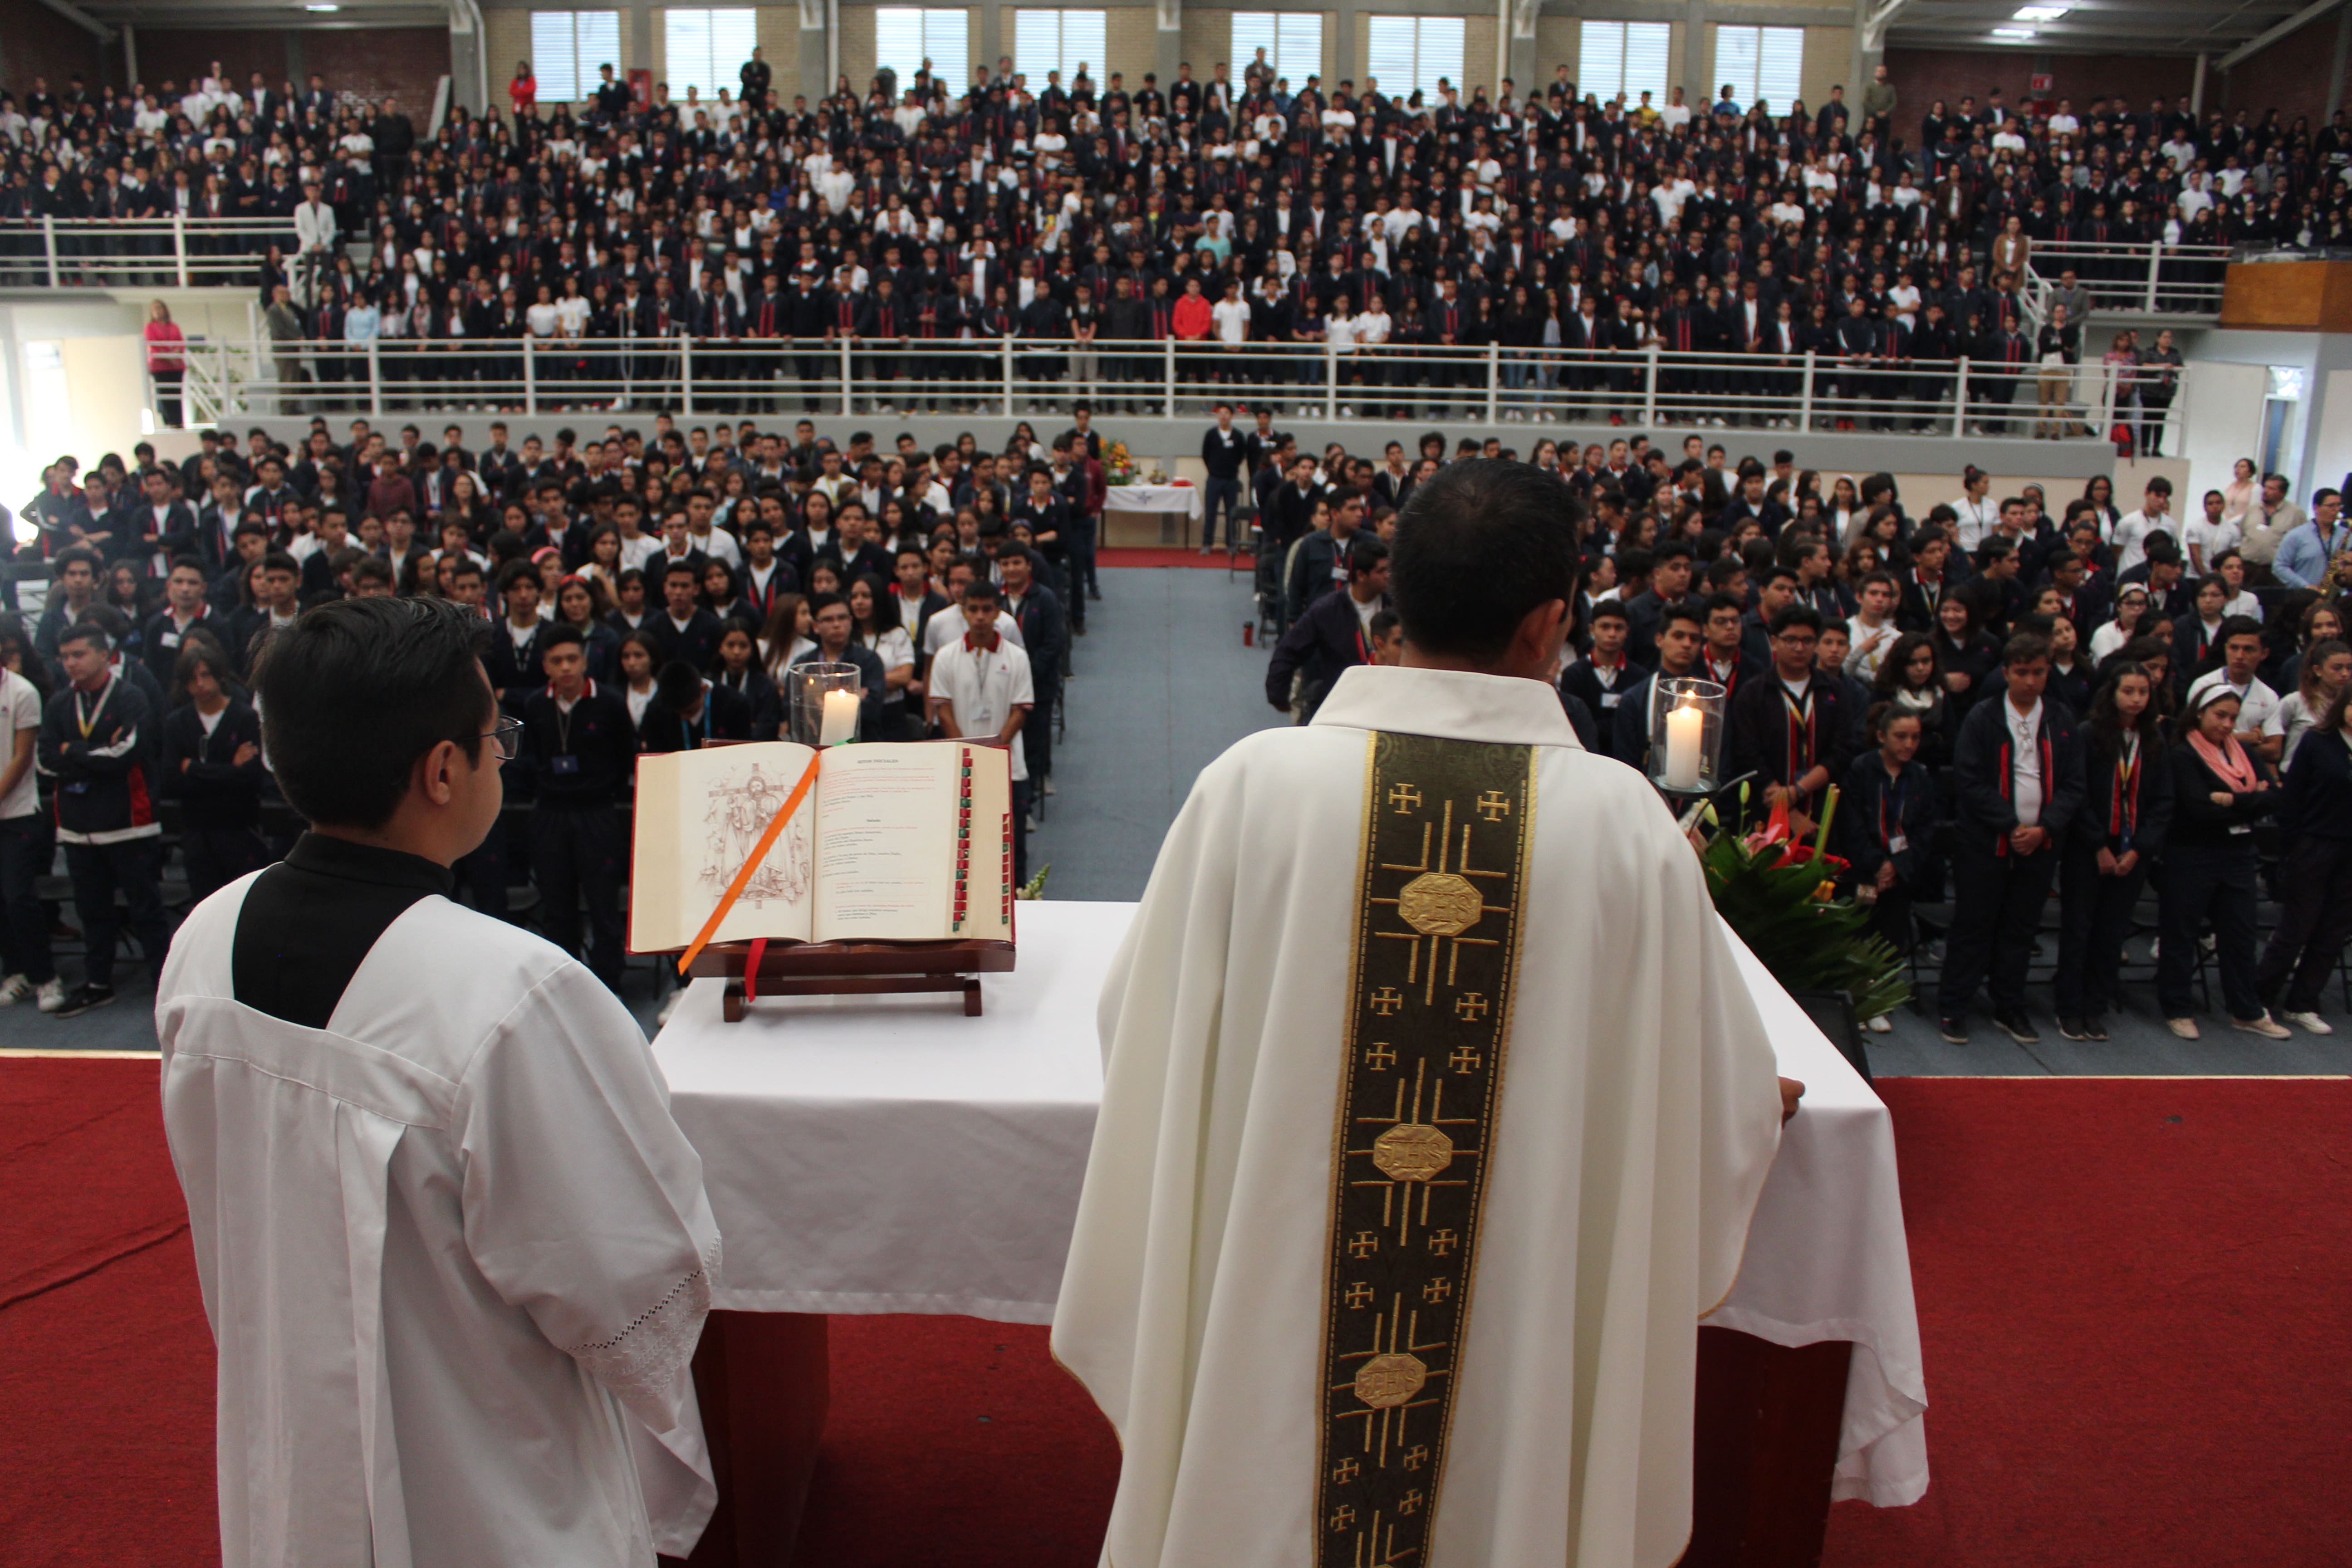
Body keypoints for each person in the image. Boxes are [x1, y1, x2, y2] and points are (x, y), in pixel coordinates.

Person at [1054, 460, 1791, 1568]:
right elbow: (1708, 1091)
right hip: (1509, 1360)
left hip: (1279, 1325)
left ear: (1394, 597)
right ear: (1551, 622)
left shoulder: (1251, 786)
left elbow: (1143, 1035)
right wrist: (1744, 1102)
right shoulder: (1621, 824)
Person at [154, 595, 720, 1566]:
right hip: (485, 1480)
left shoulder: (202, 941)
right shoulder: (509, 994)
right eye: (493, 733)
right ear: (445, 770)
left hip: (290, 1431)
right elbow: (635, 1289)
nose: (502, 750)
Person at [1938, 632, 2084, 1044]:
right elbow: (1970, 780)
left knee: (2021, 929)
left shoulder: (2061, 719)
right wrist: (2011, 825)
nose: (2031, 681)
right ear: (2006, 673)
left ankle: (2009, 1006)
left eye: (2038, 672)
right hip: (1986, 842)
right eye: (2022, 673)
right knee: (1974, 925)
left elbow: (2074, 784)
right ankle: (1954, 1006)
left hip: (2041, 843)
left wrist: (2044, 828)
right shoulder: (1983, 717)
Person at [38, 620, 173, 1016]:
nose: (71, 664)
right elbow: (46, 763)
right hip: (79, 829)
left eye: (79, 655)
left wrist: (72, 752)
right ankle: (98, 982)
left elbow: (127, 755)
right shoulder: (61, 703)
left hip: (129, 823)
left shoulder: (130, 697)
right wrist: (92, 751)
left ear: (103, 654)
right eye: (64, 657)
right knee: (92, 911)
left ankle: (163, 986)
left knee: (146, 909)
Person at [2157, 682, 2289, 1039]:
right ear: (2199, 713)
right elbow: (2199, 808)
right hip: (2193, 854)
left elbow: (2276, 799)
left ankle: (2246, 1010)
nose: (2229, 725)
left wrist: (2230, 801)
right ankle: (2177, 1007)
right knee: (2182, 933)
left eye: (2233, 718)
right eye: (2220, 716)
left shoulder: (2244, 754)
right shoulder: (2184, 755)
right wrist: (2249, 800)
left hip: (2238, 855)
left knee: (2240, 936)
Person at [2054, 664, 2170, 1041]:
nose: (2136, 699)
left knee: (2111, 934)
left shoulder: (2153, 738)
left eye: (2143, 692)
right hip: (2088, 850)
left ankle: (2095, 1006)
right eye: (2129, 691)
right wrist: (2099, 846)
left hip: (2133, 852)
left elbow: (2163, 802)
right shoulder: (2089, 735)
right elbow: (2078, 793)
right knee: (2079, 930)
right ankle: (2069, 1008)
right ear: (2113, 694)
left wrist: (2139, 850)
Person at [519, 624, 636, 990]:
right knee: (558, 910)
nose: (566, 667)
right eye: (557, 661)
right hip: (551, 813)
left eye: (572, 659)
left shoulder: (611, 702)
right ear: (546, 666)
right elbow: (532, 758)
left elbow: (626, 756)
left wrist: (601, 790)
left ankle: (609, 987)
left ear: (585, 661)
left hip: (597, 813)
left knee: (604, 909)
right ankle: (564, 991)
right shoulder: (536, 704)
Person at [1838, 702, 1937, 1030]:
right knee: (1859, 932)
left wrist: (1897, 866)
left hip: (1900, 873)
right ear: (1882, 736)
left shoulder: (1920, 776)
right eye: (1901, 736)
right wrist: (1877, 864)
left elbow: (1924, 830)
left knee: (1891, 936)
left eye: (1915, 737)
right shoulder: (1861, 770)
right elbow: (1851, 825)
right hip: (1864, 871)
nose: (1909, 744)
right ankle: (1854, 999)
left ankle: (1879, 1000)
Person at [2261, 678, 2352, 1034]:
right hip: (2314, 844)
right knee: (2297, 926)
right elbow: (2293, 797)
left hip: (2351, 851)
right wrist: (2291, 846)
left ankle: (2303, 1003)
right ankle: (2262, 998)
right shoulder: (2317, 741)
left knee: (2334, 930)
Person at [930, 576, 1034, 884]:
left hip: (1008, 766)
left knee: (1010, 844)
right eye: (973, 609)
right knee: (963, 842)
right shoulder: (946, 657)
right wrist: (970, 751)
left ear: (998, 613)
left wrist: (994, 751)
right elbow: (943, 710)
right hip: (962, 764)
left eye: (987, 610)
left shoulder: (1017, 657)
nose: (979, 617)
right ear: (963, 612)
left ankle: (1017, 900)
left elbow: (1020, 711)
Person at [160, 639, 269, 901]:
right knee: (204, 903)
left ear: (220, 675)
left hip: (238, 827)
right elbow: (171, 780)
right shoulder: (177, 723)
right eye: (192, 678)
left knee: (242, 903)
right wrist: (229, 769)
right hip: (196, 830)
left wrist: (194, 769)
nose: (199, 683)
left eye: (206, 675)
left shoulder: (244, 717)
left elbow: (251, 778)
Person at [1265, 535, 1389, 723]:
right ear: (1361, 576)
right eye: (1381, 571)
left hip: (1387, 702)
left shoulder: (1396, 607)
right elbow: (1289, 649)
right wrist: (1278, 695)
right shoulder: (1327, 610)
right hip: (1341, 706)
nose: (1388, 575)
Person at [0, 639, 59, 1011]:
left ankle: (46, 977)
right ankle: (15, 971)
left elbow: (22, 757)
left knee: (19, 896)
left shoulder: (22, 692)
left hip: (19, 811)